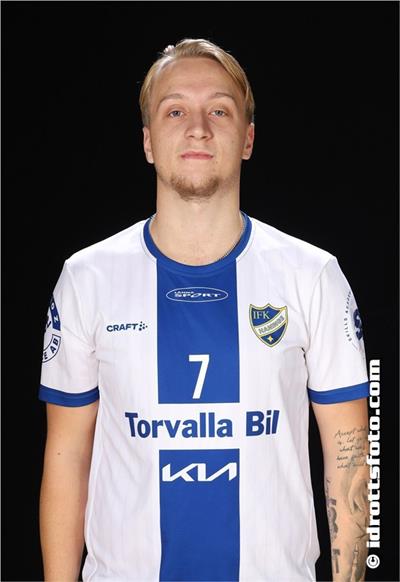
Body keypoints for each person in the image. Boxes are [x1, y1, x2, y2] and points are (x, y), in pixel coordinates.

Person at [39, 38, 371, 582]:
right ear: (148, 142)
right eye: (175, 111)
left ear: (248, 138)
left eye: (219, 110)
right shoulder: (87, 278)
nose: (198, 128)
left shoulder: (313, 275)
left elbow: (350, 456)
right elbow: (66, 458)